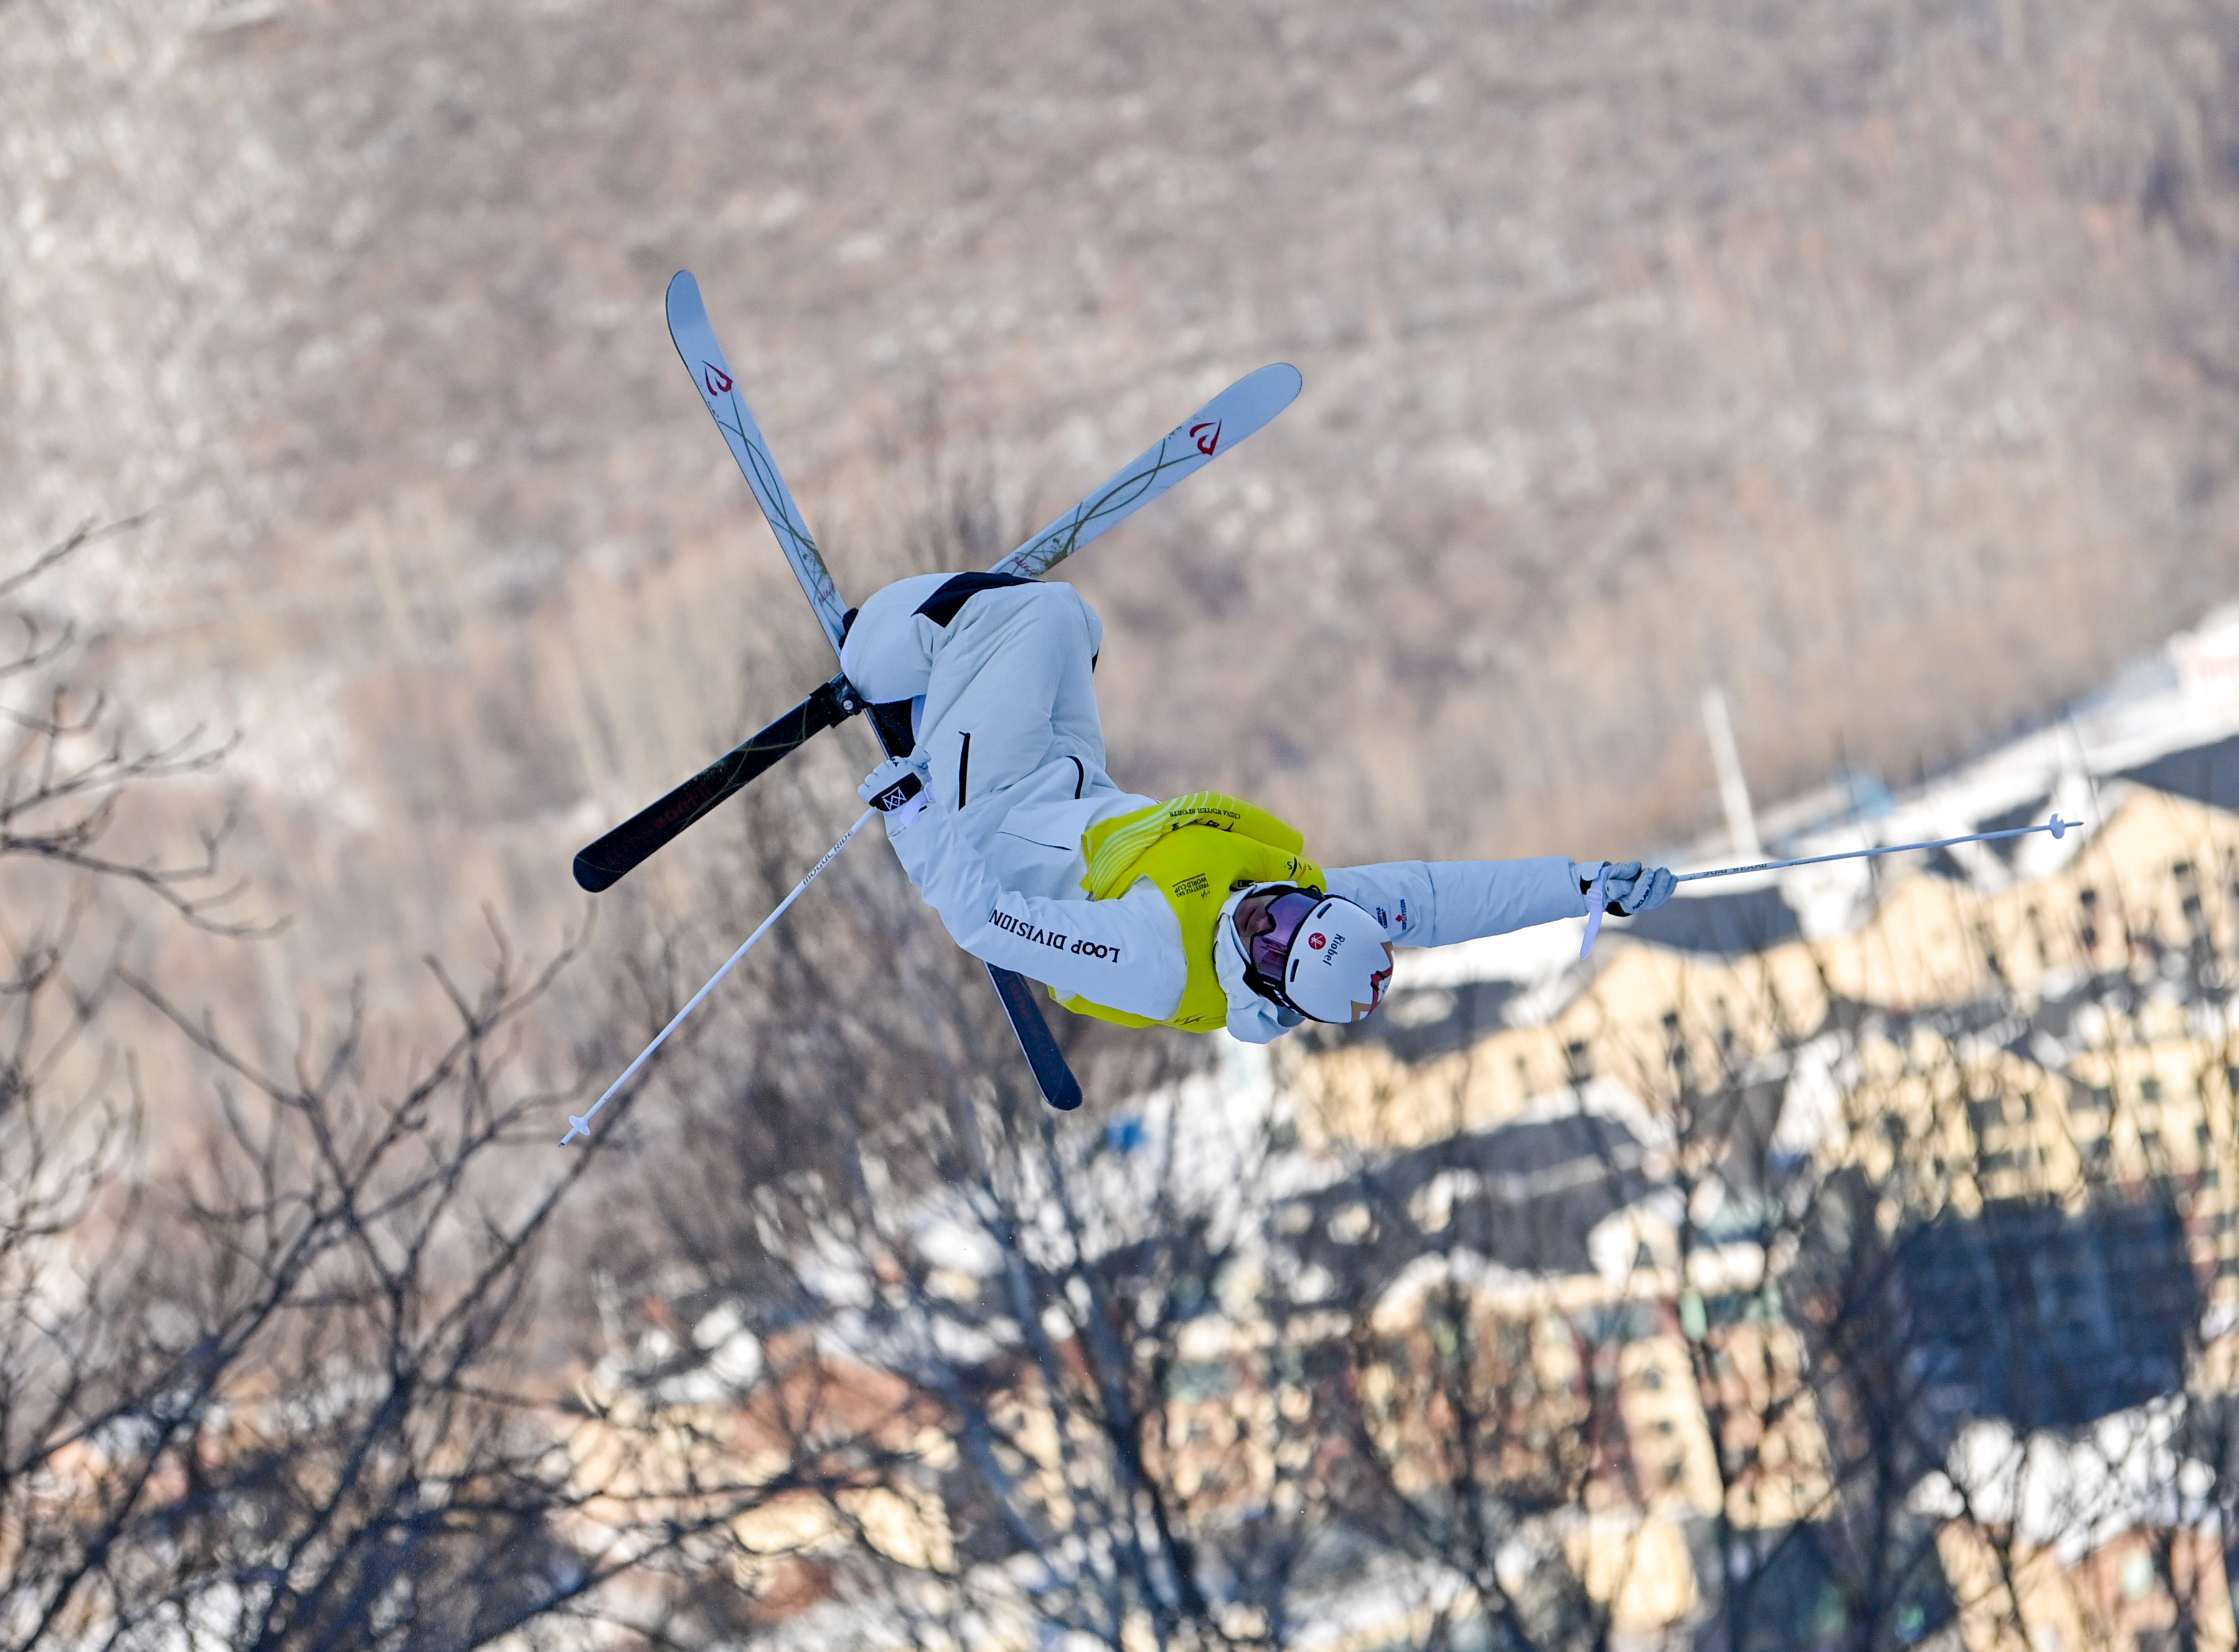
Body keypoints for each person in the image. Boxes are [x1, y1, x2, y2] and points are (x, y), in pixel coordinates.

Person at [842, 572, 1674, 1043]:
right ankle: (949, 687)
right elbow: (1437, 900)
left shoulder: (1157, 959)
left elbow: (987, 923)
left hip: (980, 810)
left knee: (1012, 613)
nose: (1262, 916)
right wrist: (1586, 885)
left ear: (1268, 985)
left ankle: (873, 656)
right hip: (1071, 785)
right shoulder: (1312, 904)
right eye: (1287, 908)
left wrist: (916, 820)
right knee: (1072, 617)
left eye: (1268, 941)